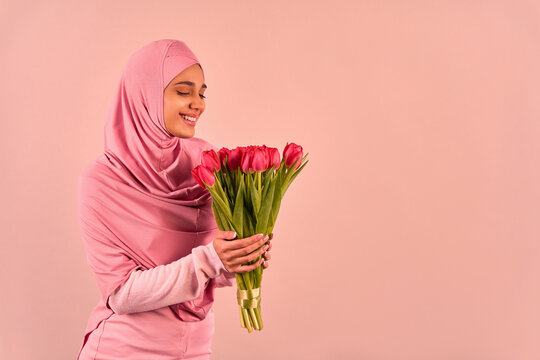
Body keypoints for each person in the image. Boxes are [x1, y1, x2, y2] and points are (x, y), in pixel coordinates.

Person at [76, 39, 272, 360]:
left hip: (195, 347)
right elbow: (121, 294)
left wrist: (240, 258)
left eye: (202, 93)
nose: (198, 103)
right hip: (126, 351)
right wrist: (212, 260)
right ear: (145, 94)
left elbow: (209, 268)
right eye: (183, 91)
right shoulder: (102, 181)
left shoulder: (203, 161)